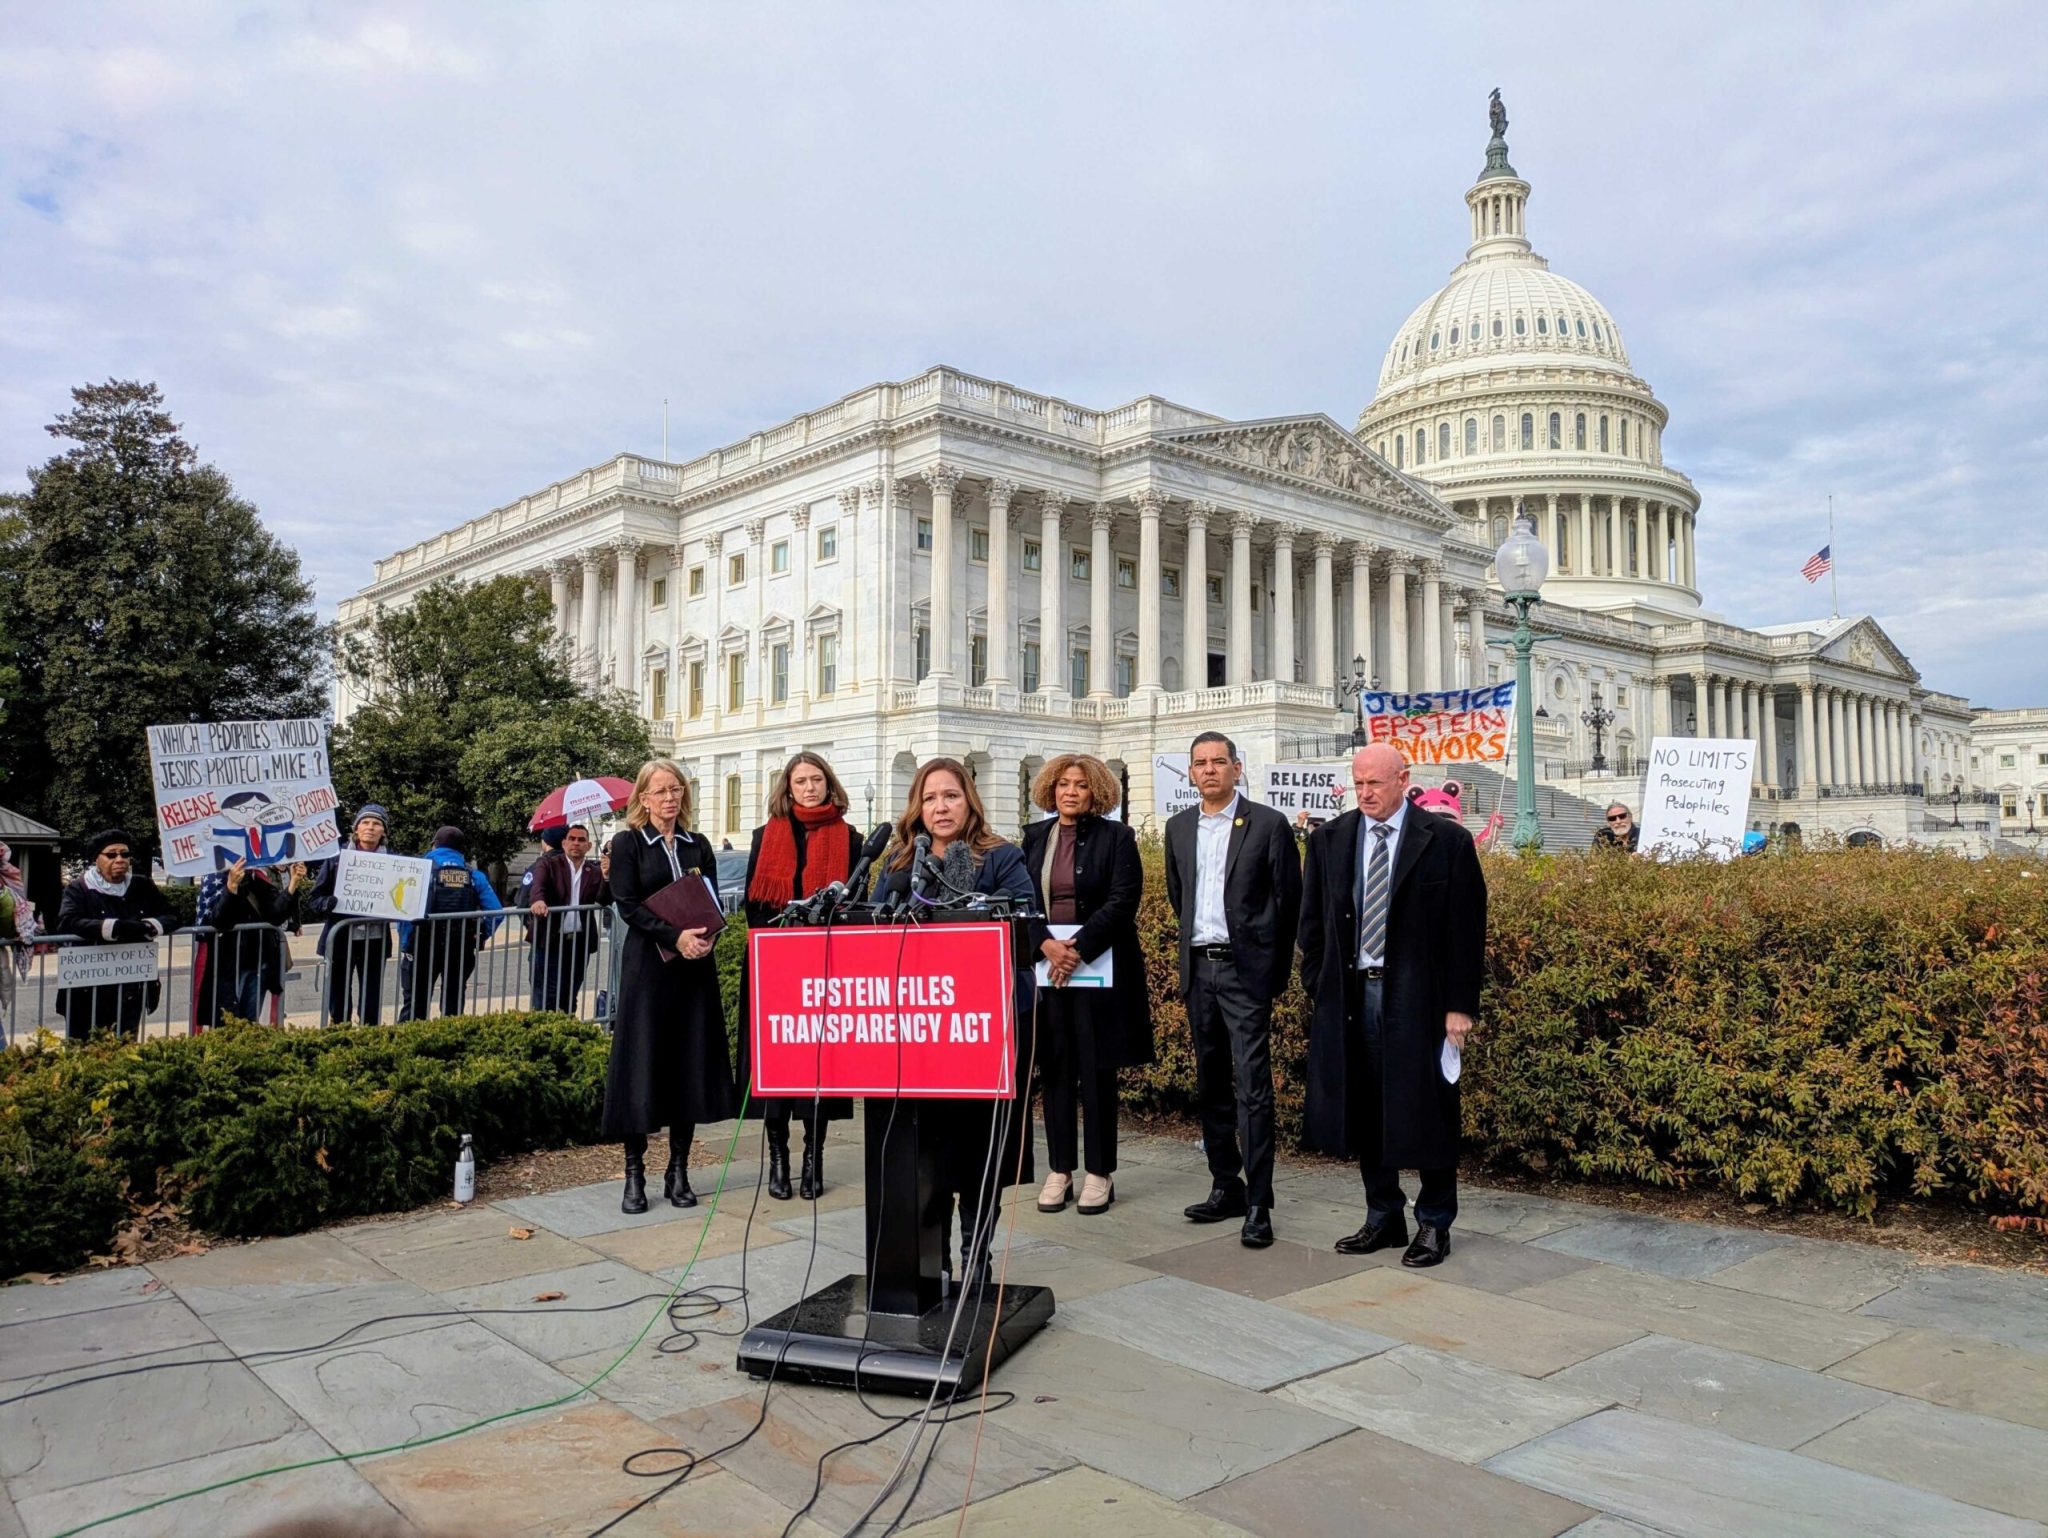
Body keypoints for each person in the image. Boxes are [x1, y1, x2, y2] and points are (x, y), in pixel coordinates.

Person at [1298, 745, 1486, 1268]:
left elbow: (1466, 933)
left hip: (1420, 1001)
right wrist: (1320, 981)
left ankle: (1434, 1223)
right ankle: (1382, 1215)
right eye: (1358, 784)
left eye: (1375, 784)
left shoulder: (1446, 841)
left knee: (1427, 1111)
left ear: (1403, 779)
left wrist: (1459, 1006)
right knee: (1364, 1108)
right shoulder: (1331, 839)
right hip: (1351, 996)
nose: (1365, 794)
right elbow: (1310, 923)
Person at [872, 757, 1036, 1288]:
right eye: (930, 798)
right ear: (917, 807)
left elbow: (1025, 929)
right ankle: (933, 1256)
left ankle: (977, 1255)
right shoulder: (900, 861)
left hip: (983, 1031)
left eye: (950, 796)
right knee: (928, 1154)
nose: (940, 807)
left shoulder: (1001, 856)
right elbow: (870, 932)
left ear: (969, 801)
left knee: (977, 1152)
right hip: (918, 1034)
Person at [1163, 731, 1301, 1248]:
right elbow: (1183, 899)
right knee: (1211, 1082)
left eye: (1219, 762)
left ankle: (1260, 1202)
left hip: (1246, 976)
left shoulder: (1268, 825)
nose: (1210, 770)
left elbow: (1289, 904)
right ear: (1191, 772)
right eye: (1200, 763)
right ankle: (1227, 1185)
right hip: (1199, 971)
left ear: (1237, 769)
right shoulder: (1179, 829)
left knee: (1254, 1088)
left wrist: (1273, 972)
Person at [602, 758, 738, 1215]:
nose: (669, 798)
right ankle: (634, 1173)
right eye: (660, 791)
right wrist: (673, 937)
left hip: (693, 969)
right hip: (648, 967)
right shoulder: (627, 844)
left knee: (687, 1065)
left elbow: (713, 899)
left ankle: (678, 1170)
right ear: (643, 798)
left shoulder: (697, 844)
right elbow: (627, 904)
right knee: (643, 1063)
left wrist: (706, 936)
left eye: (676, 789)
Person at [1019, 753, 1151, 1217]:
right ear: (1051, 790)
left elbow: (1122, 899)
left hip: (1098, 967)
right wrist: (1045, 946)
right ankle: (1061, 1169)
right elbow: (1022, 901)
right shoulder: (1034, 837)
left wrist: (1074, 948)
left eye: (1080, 785)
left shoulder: (1118, 837)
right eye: (1062, 785)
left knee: (1096, 1070)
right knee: (1054, 1070)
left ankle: (1100, 1172)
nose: (1070, 792)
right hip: (1047, 970)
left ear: (1096, 792)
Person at [738, 751, 858, 1201]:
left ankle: (813, 1159)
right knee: (776, 1074)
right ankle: (778, 1160)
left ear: (829, 783)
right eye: (800, 781)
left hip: (827, 971)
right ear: (787, 789)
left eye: (816, 779)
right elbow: (754, 907)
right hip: (776, 969)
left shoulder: (851, 838)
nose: (809, 788)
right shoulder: (764, 836)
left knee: (818, 1075)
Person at [54, 829, 177, 1041]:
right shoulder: (80, 888)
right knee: (85, 1047)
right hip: (88, 989)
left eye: (125, 854)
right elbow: (67, 921)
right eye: (111, 855)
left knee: (126, 1045)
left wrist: (148, 926)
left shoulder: (142, 885)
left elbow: (173, 915)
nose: (120, 859)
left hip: (131, 986)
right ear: (96, 859)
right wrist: (114, 928)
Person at [303, 805, 395, 1025]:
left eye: (376, 824)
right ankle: (340, 1040)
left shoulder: (394, 862)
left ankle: (369, 1043)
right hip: (341, 940)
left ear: (383, 831)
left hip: (375, 942)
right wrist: (328, 903)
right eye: (365, 822)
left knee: (371, 1002)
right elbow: (314, 899)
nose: (370, 828)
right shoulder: (336, 859)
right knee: (339, 1002)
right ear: (356, 828)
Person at [400, 827, 504, 1020]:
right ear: (461, 850)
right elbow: (496, 912)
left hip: (422, 945)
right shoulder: (473, 875)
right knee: (453, 1004)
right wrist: (480, 936)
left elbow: (403, 910)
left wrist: (406, 942)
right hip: (460, 946)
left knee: (415, 1003)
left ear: (434, 844)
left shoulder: (419, 871)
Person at [196, 856, 308, 1028]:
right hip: (229, 964)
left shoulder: (258, 877)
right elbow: (219, 921)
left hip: (258, 961)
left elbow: (275, 915)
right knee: (227, 1021)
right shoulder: (215, 878)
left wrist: (293, 884)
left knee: (250, 1020)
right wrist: (231, 887)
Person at [521, 823, 609, 1014]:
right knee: (546, 996)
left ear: (589, 845)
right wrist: (538, 901)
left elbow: (603, 899)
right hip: (550, 940)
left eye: (581, 840)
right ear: (563, 843)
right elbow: (538, 887)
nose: (576, 843)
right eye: (572, 839)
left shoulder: (593, 870)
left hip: (578, 942)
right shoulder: (548, 864)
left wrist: (607, 876)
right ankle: (545, 1037)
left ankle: (568, 1032)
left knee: (570, 994)